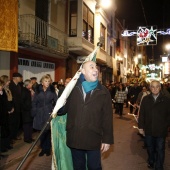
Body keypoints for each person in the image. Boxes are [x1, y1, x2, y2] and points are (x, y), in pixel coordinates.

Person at [60, 61, 114, 170]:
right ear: (83, 71)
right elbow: (63, 110)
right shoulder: (73, 88)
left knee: (94, 167)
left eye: (96, 68)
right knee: (78, 167)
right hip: (75, 136)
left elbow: (107, 117)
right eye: (92, 67)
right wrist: (62, 95)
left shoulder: (103, 92)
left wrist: (107, 139)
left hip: (93, 137)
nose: (95, 70)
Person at [138, 80, 170, 170]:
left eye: (157, 86)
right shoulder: (145, 99)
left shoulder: (166, 100)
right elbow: (142, 114)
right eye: (153, 86)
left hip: (161, 130)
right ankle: (151, 160)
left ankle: (159, 166)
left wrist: (166, 125)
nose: (155, 89)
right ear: (150, 88)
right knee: (150, 148)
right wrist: (140, 127)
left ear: (160, 88)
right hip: (149, 129)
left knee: (160, 149)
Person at [32, 75, 57, 156]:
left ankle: (47, 149)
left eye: (49, 81)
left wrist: (53, 109)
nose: (47, 83)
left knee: (48, 132)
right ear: (42, 82)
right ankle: (43, 149)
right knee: (41, 132)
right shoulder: (38, 91)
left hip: (48, 113)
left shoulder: (52, 91)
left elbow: (56, 102)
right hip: (39, 113)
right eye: (46, 81)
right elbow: (34, 102)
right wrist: (34, 111)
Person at [51, 77, 73, 170]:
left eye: (69, 82)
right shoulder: (61, 91)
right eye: (66, 82)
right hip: (62, 118)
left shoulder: (75, 91)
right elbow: (59, 106)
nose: (67, 83)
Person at [0, 76, 14, 152]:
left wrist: (12, 108)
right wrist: (8, 109)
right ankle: (3, 146)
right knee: (3, 131)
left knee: (7, 129)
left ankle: (6, 144)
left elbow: (9, 100)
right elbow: (5, 102)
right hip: (4, 113)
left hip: (6, 112)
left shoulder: (6, 90)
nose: (9, 82)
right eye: (8, 81)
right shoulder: (3, 91)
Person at [9, 72, 23, 141]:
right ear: (15, 78)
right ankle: (11, 137)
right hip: (13, 107)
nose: (21, 79)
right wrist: (12, 106)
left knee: (17, 122)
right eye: (20, 77)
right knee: (12, 122)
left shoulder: (19, 86)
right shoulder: (10, 85)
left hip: (18, 107)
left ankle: (15, 135)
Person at [21, 79, 34, 143]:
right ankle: (26, 138)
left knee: (30, 125)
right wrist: (27, 108)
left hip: (30, 111)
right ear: (28, 84)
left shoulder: (29, 91)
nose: (32, 84)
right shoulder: (24, 91)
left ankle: (30, 137)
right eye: (31, 83)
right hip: (26, 112)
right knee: (26, 126)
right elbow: (22, 102)